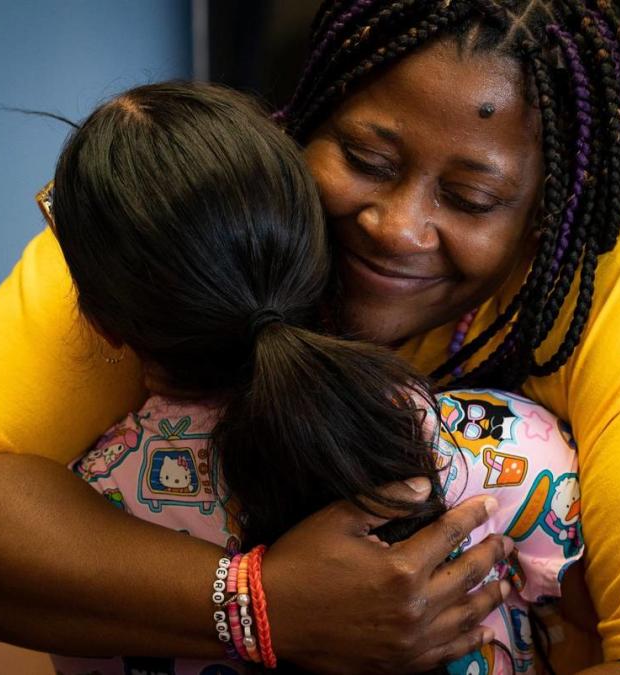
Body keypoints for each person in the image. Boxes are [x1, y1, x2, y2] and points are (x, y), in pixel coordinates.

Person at [0, 1, 620, 673]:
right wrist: (264, 603)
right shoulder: (194, 203)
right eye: (363, 157)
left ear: (550, 211)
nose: (396, 224)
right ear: (299, 121)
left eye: (471, 198)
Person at [42, 80, 581, 675]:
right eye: (370, 163)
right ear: (317, 249)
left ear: (101, 322)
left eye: (471, 196)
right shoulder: (503, 446)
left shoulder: (86, 523)